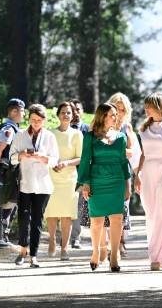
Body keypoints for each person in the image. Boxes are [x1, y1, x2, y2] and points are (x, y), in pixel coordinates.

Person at [78, 103, 132, 272]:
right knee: (97, 221)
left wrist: (128, 184)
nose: (115, 117)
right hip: (97, 181)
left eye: (116, 114)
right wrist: (85, 184)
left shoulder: (121, 137)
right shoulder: (90, 137)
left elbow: (124, 162)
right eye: (111, 114)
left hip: (116, 180)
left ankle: (114, 255)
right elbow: (85, 160)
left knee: (117, 219)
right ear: (102, 116)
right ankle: (96, 252)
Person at [10, 104, 59, 268]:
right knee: (24, 219)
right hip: (25, 184)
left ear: (44, 120)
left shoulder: (50, 137)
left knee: (37, 221)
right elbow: (11, 158)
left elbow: (54, 161)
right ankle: (22, 251)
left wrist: (42, 157)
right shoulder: (20, 135)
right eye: (32, 120)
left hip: (43, 186)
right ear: (29, 119)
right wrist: (22, 155)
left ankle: (34, 256)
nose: (35, 123)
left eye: (39, 120)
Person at [135, 93, 162, 271]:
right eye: (145, 106)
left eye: (149, 106)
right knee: (151, 213)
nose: (146, 109)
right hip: (147, 172)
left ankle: (157, 256)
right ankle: (157, 252)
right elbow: (143, 154)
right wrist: (137, 174)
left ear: (160, 106)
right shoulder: (143, 129)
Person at [45, 102, 83, 261]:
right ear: (58, 115)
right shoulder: (49, 133)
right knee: (52, 213)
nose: (66, 115)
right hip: (51, 176)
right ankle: (52, 240)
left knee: (67, 215)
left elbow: (81, 157)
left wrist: (66, 163)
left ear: (73, 115)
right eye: (63, 112)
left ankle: (65, 247)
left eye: (68, 112)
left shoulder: (77, 134)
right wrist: (53, 163)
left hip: (69, 179)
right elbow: (45, 153)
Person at [108, 92, 141, 258]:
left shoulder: (127, 128)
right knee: (107, 208)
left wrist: (138, 176)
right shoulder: (103, 126)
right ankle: (108, 244)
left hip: (122, 172)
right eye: (116, 109)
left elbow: (133, 153)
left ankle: (120, 242)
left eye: (122, 110)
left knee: (122, 208)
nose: (119, 113)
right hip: (105, 171)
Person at [0, 98, 25, 244]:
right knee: (7, 202)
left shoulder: (15, 128)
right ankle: (1, 235)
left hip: (11, 172)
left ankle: (4, 235)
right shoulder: (9, 129)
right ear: (13, 112)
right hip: (7, 172)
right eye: (21, 110)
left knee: (11, 202)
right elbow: (0, 149)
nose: (24, 114)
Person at [69, 98, 89, 249]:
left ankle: (75, 238)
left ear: (82, 111)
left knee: (79, 207)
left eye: (78, 109)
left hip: (81, 175)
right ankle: (63, 236)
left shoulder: (87, 129)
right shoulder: (63, 130)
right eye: (72, 109)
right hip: (64, 174)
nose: (75, 112)